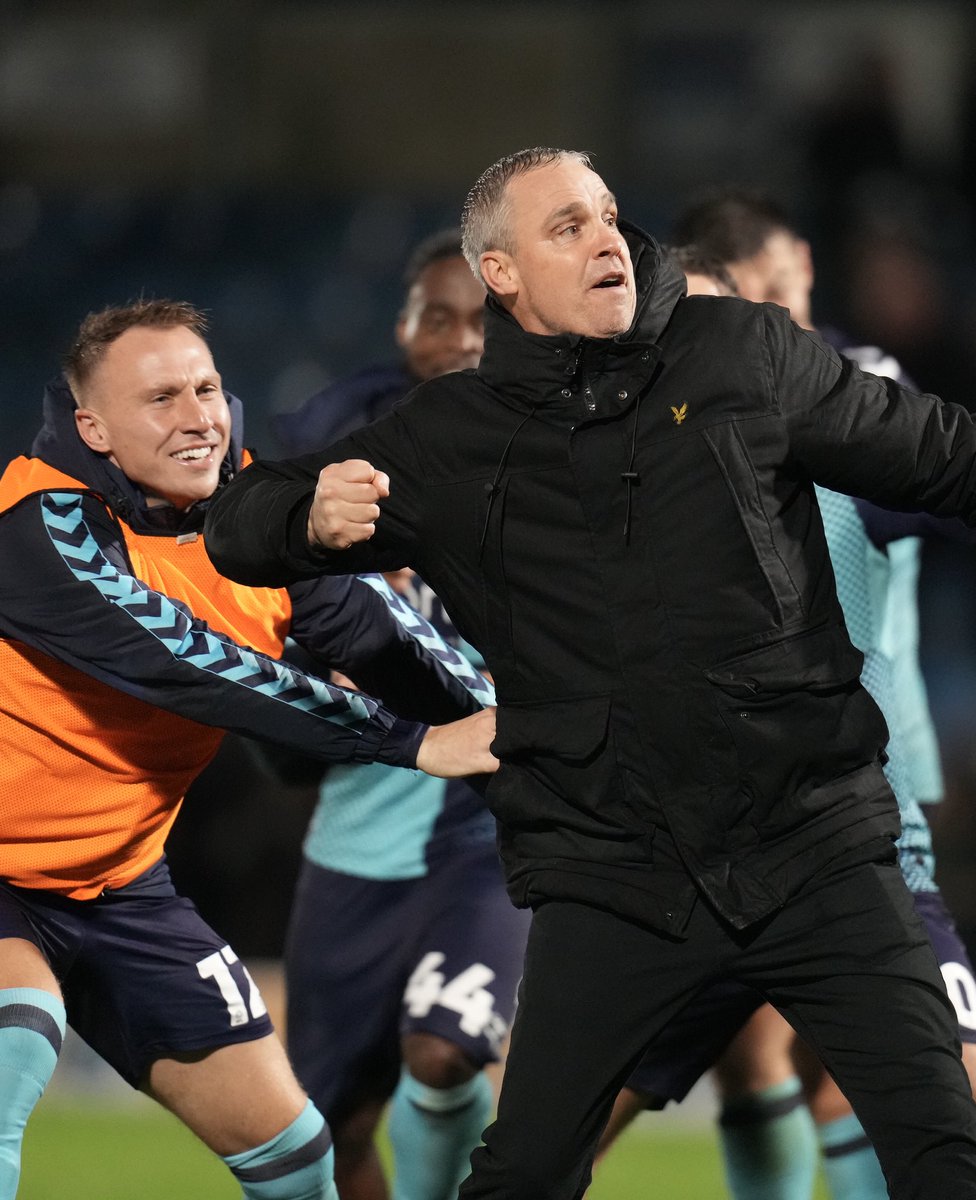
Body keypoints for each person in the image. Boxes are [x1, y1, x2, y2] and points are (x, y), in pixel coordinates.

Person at [205, 147, 976, 1200]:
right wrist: (299, 517)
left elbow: (958, 457)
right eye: (566, 228)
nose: (603, 240)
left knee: (950, 1159)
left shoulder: (745, 352)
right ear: (499, 274)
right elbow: (236, 521)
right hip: (613, 880)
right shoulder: (450, 440)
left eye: (607, 216)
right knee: (524, 1174)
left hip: (813, 846)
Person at [0, 298, 497, 1200]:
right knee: (13, 1043)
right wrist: (412, 743)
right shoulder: (36, 522)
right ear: (93, 427)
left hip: (122, 885)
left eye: (208, 389)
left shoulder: (253, 520)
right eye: (161, 399)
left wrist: (525, 731)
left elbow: (389, 640)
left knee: (297, 1155)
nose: (198, 418)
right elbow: (194, 667)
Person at [598, 192, 976, 1200]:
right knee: (580, 1116)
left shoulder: (848, 402)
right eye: (778, 297)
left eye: (797, 295)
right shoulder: (619, 450)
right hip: (699, 849)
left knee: (952, 1106)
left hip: (871, 819)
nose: (799, 318)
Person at [276, 238, 531, 1200]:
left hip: (485, 835)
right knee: (330, 1130)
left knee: (442, 1054)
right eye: (438, 317)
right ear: (402, 329)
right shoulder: (331, 454)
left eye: (484, 320)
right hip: (352, 841)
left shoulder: (558, 449)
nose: (461, 340)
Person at [273, 229, 486, 456]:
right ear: (404, 329)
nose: (463, 343)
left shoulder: (526, 433)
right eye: (438, 323)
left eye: (487, 324)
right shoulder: (341, 436)